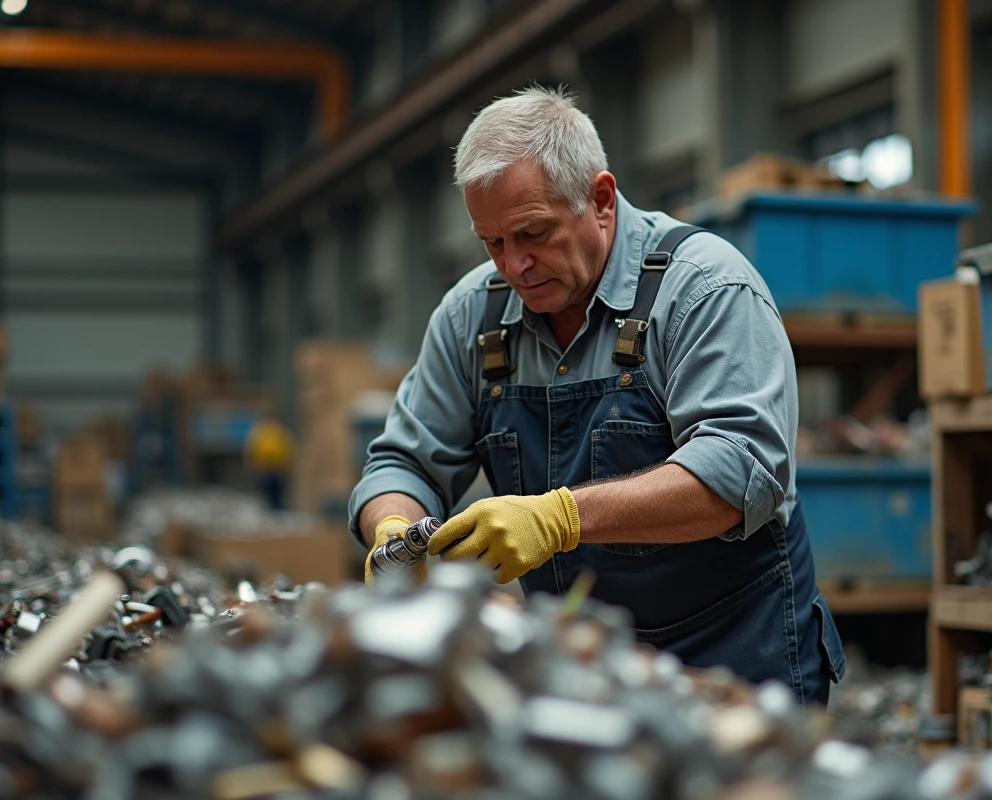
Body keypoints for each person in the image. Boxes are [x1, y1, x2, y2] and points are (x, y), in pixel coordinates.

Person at [349, 86, 845, 701]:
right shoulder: (471, 317)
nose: (515, 265)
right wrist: (394, 527)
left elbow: (738, 471)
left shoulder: (704, 290)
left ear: (601, 200)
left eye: (533, 233)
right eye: (494, 243)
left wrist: (557, 519)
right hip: (576, 673)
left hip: (730, 664)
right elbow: (401, 460)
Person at [244, 411, 294, 510]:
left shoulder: (279, 431)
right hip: (263, 467)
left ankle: (277, 510)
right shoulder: (259, 432)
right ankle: (266, 510)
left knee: (277, 491)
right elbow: (252, 448)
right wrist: (254, 463)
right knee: (264, 491)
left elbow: (287, 447)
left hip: (277, 467)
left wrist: (285, 462)